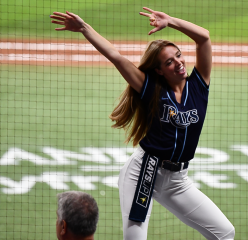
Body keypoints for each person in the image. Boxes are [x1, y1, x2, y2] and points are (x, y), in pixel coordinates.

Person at [50, 7, 235, 240]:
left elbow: (204, 37)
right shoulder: (152, 89)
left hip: (178, 180)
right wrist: (84, 28)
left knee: (225, 232)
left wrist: (170, 21)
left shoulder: (199, 85)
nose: (178, 62)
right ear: (159, 70)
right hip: (143, 173)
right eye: (169, 62)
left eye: (178, 55)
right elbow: (116, 57)